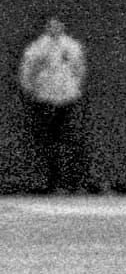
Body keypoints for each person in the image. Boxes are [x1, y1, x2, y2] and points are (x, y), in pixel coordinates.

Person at [18, 15, 88, 194]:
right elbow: (27, 70)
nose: (55, 28)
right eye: (51, 25)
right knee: (49, 142)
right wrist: (31, 89)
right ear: (46, 27)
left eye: (58, 25)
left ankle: (74, 183)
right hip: (45, 98)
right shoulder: (37, 48)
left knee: (72, 140)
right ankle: (51, 183)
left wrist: (74, 88)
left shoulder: (72, 46)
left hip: (68, 97)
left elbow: (79, 69)